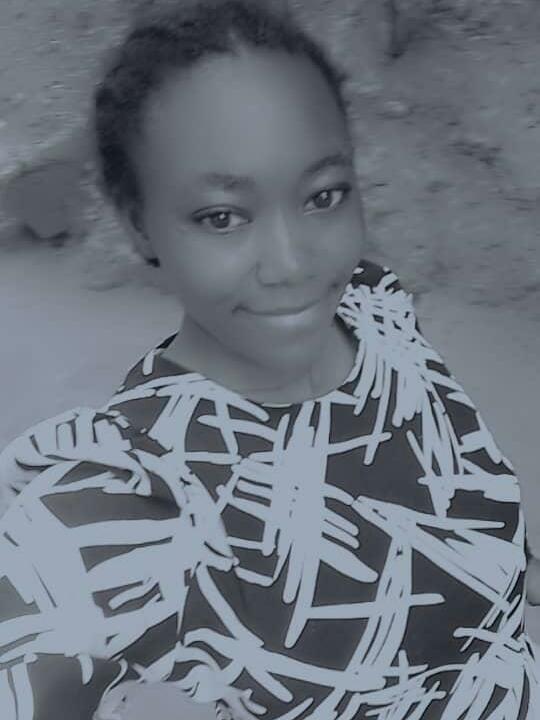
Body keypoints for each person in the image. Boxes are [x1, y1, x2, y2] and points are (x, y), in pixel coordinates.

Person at [1, 1, 539, 718]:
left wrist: (511, 567)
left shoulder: (375, 311)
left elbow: (452, 505)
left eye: (322, 197)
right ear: (139, 226)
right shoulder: (130, 499)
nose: (292, 265)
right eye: (222, 217)